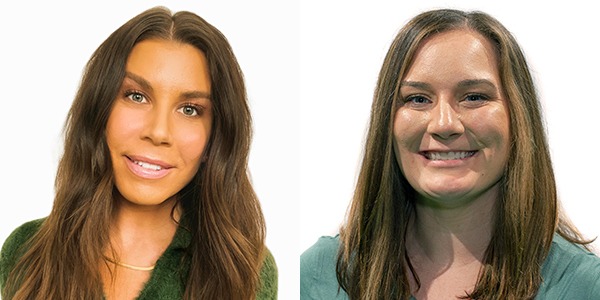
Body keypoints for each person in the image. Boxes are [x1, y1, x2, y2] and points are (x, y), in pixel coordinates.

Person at [301, 8, 600, 300]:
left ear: (519, 117)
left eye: (474, 97)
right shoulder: (319, 275)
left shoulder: (586, 287)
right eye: (418, 99)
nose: (444, 124)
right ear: (387, 122)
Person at [0, 6, 277, 300]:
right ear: (99, 109)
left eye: (190, 109)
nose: (158, 132)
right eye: (136, 96)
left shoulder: (244, 270)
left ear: (216, 137)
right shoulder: (25, 251)